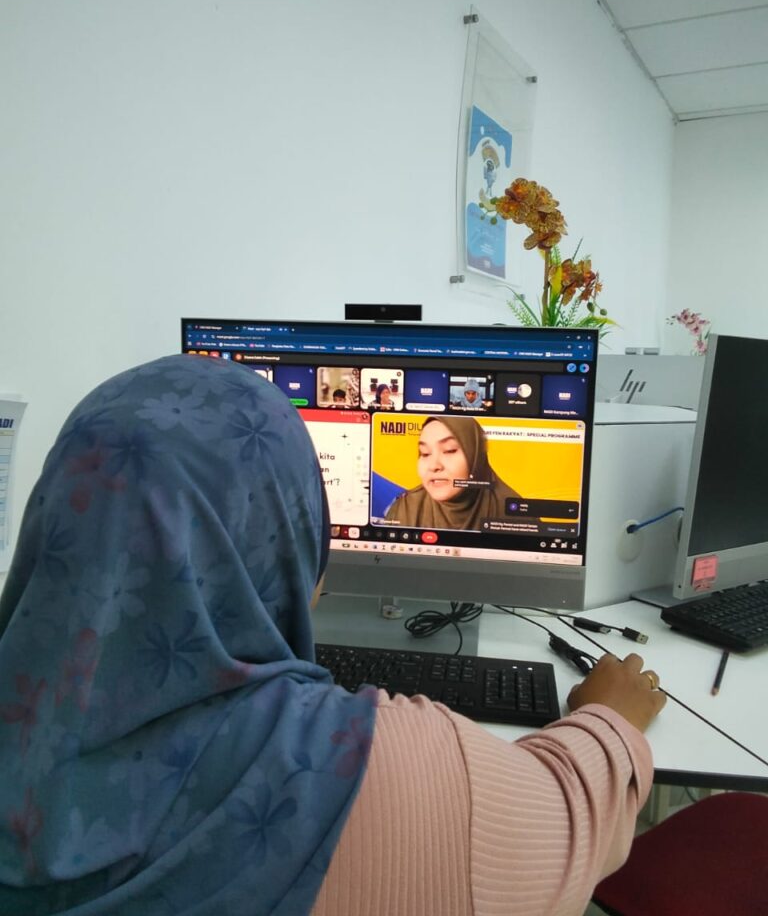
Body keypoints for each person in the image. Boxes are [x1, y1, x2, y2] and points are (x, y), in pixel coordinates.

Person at [0, 355, 666, 916]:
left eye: (450, 449)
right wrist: (610, 721)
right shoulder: (385, 780)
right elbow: (560, 824)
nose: (434, 465)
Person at [385, 415, 520, 530]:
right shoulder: (404, 509)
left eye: (449, 450)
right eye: (425, 453)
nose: (434, 466)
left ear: (475, 456)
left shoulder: (514, 512)